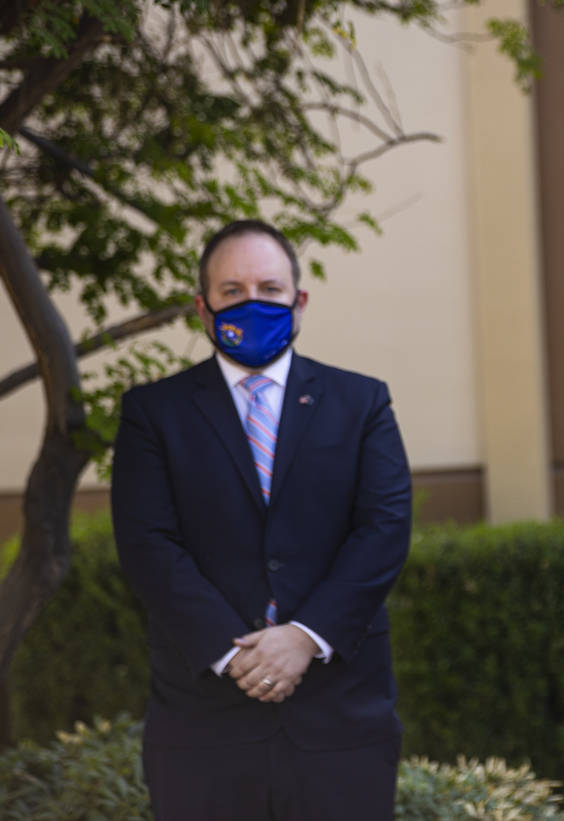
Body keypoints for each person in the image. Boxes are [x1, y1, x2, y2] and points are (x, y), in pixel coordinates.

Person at [111, 219, 412, 820]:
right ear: (203, 308)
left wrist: (303, 638)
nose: (253, 303)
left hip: (341, 720)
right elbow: (148, 543)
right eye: (232, 291)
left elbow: (384, 528)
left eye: (270, 289)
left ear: (298, 303)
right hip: (203, 722)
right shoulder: (153, 412)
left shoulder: (362, 403)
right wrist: (239, 656)